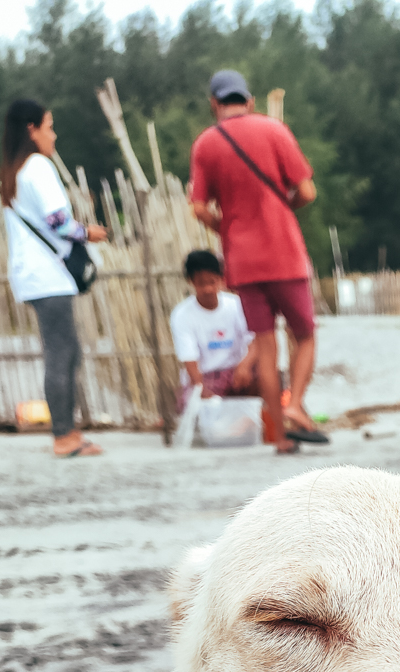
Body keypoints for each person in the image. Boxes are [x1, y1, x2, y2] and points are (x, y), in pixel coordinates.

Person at [189, 70, 324, 452]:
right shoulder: (275, 131)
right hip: (284, 252)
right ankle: (295, 405)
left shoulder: (205, 145)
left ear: (214, 104)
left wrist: (227, 229)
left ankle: (280, 437)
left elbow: (198, 207)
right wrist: (284, 209)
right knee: (305, 335)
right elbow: (308, 191)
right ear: (249, 101)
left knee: (265, 346)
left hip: (242, 261)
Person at [0, 98, 109, 458]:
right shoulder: (38, 167)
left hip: (33, 274)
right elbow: (58, 221)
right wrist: (87, 232)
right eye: (49, 126)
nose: (54, 135)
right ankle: (63, 435)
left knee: (65, 351)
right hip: (48, 275)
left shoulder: (14, 171)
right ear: (32, 130)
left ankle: (68, 429)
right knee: (62, 354)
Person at [169, 249, 257, 411]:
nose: (208, 289)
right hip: (206, 377)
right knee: (191, 405)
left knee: (267, 376)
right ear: (191, 281)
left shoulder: (236, 305)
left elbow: (255, 342)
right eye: (201, 283)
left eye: (212, 282)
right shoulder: (181, 315)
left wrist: (245, 365)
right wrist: (202, 388)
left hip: (237, 372)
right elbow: (190, 362)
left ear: (221, 279)